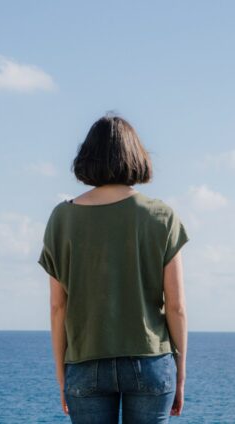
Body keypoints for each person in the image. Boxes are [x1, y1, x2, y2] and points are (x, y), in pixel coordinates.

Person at [38, 112, 190, 423]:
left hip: (84, 361)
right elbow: (176, 307)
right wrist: (181, 373)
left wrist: (60, 373)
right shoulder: (161, 216)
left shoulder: (61, 219)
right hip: (150, 360)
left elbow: (57, 306)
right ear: (137, 156)